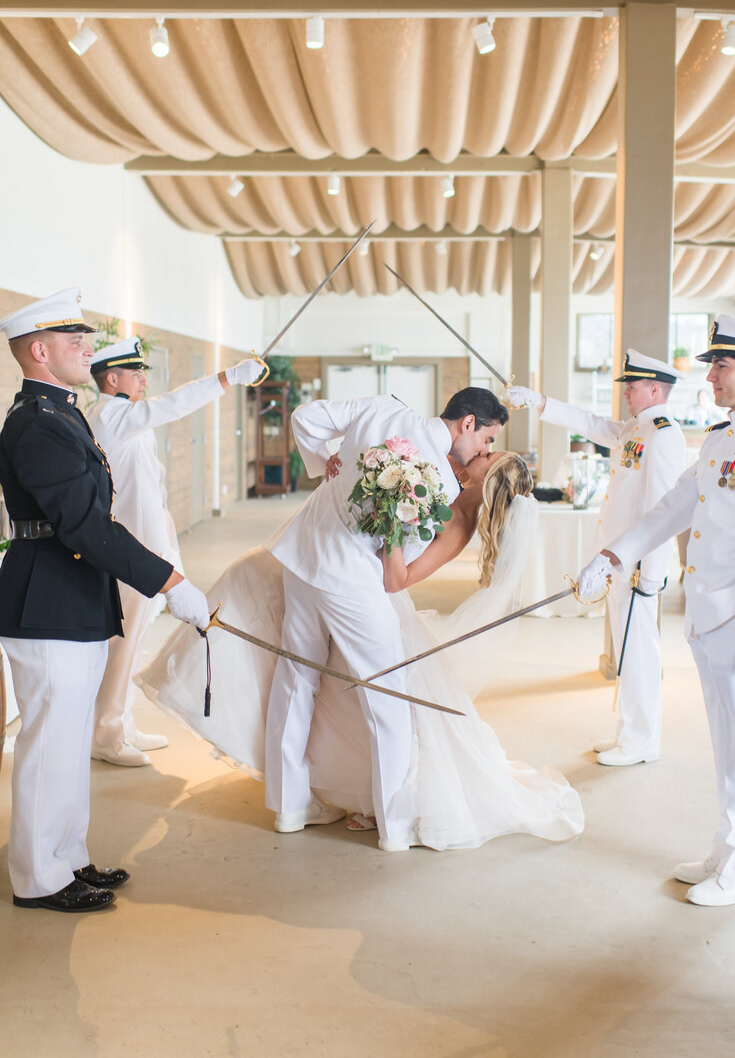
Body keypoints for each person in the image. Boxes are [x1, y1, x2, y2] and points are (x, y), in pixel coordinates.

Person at [137, 450, 584, 849]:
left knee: (383, 706)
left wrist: (390, 525)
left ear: (487, 480)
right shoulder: (440, 476)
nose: (481, 451)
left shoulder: (458, 528)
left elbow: (396, 579)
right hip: (342, 587)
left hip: (377, 601)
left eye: (488, 454)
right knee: (332, 695)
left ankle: (392, 816)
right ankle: (337, 797)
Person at [0, 289, 210, 913]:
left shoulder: (63, 414)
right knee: (48, 744)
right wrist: (170, 582)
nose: (88, 351)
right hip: (47, 600)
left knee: (68, 740)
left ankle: (66, 857)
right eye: (75, 343)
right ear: (39, 352)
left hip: (71, 597)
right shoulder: (37, 424)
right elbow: (87, 526)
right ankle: (38, 878)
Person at [579, 316, 735, 907]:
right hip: (708, 615)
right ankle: (729, 847)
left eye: (720, 367)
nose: (710, 379)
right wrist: (612, 554)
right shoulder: (724, 439)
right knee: (727, 740)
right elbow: (671, 509)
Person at [263, 387, 507, 852]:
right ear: (468, 423)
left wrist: (325, 461)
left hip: (302, 556)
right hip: (350, 583)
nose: (484, 450)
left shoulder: (381, 407)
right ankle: (395, 827)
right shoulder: (441, 485)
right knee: (388, 700)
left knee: (295, 679)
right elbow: (394, 562)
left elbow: (305, 417)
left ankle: (289, 808)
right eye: (486, 439)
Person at [85, 337, 263, 767]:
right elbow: (173, 404)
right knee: (122, 644)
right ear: (112, 379)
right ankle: (106, 734)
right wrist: (227, 378)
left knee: (135, 639)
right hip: (128, 551)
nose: (143, 379)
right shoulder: (111, 413)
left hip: (145, 546)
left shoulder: (124, 417)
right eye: (135, 372)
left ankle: (120, 721)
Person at [506, 350, 686, 766]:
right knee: (627, 649)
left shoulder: (663, 433)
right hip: (620, 564)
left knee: (639, 651)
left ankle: (641, 742)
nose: (627, 392)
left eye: (634, 386)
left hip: (637, 566)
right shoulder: (638, 428)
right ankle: (628, 733)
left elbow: (662, 510)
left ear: (655, 389)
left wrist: (650, 574)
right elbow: (592, 424)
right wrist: (540, 402)